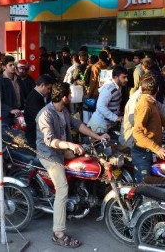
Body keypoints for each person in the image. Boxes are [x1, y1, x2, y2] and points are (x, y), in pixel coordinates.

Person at [36, 82, 109, 248]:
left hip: (62, 150)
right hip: (49, 154)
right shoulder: (45, 114)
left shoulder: (63, 110)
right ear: (64, 97)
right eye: (69, 95)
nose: (71, 97)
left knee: (87, 158)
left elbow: (78, 125)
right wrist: (69, 145)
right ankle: (58, 233)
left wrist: (97, 137)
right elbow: (50, 141)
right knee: (62, 189)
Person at [131, 75, 165, 182]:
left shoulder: (152, 102)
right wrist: (157, 148)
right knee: (145, 188)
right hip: (142, 154)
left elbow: (164, 121)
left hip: (149, 152)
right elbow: (137, 132)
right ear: (157, 89)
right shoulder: (145, 105)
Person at [88, 66, 127, 133]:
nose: (126, 80)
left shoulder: (118, 87)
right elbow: (100, 106)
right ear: (115, 77)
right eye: (123, 77)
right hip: (100, 124)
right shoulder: (109, 88)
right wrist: (116, 118)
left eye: (126, 77)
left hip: (107, 124)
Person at [24, 74, 53, 148]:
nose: (49, 91)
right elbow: (40, 117)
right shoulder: (34, 98)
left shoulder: (40, 96)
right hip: (34, 134)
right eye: (48, 88)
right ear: (42, 85)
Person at [0, 55, 22, 126]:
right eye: (10, 65)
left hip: (19, 114)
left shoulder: (18, 79)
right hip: (6, 116)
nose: (13, 67)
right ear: (4, 67)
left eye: (14, 65)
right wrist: (10, 110)